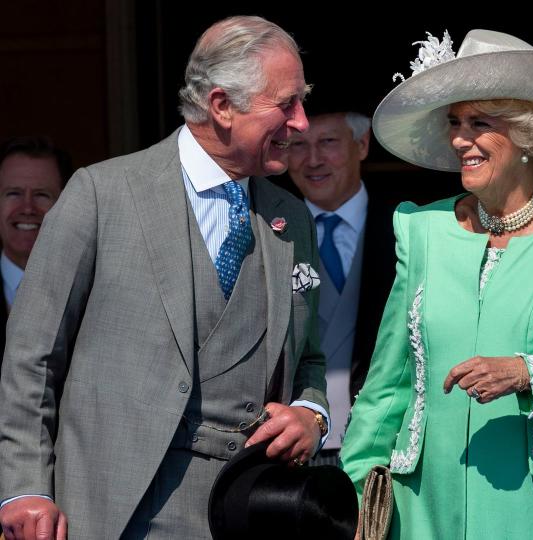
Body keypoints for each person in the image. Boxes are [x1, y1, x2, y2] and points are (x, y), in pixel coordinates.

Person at [0, 16, 329, 540]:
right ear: (222, 105)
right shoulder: (101, 195)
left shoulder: (291, 218)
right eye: (286, 103)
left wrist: (311, 414)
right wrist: (25, 487)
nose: (302, 123)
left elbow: (309, 355)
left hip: (249, 509)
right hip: (113, 508)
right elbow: (32, 357)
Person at [340, 29, 533, 539]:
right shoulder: (421, 229)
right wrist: (355, 483)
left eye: (480, 123)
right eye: (455, 122)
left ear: (528, 134)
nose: (460, 139)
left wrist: (527, 373)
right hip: (426, 501)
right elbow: (389, 381)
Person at [284, 96, 398, 462]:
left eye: (328, 142)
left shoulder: (407, 227)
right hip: (294, 445)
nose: (313, 159)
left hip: (383, 442)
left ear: (362, 144)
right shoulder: (267, 231)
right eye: (298, 145)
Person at [0, 136, 70, 369]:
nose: (28, 208)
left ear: (65, 203)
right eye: (13, 194)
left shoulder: (92, 291)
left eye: (42, 194)